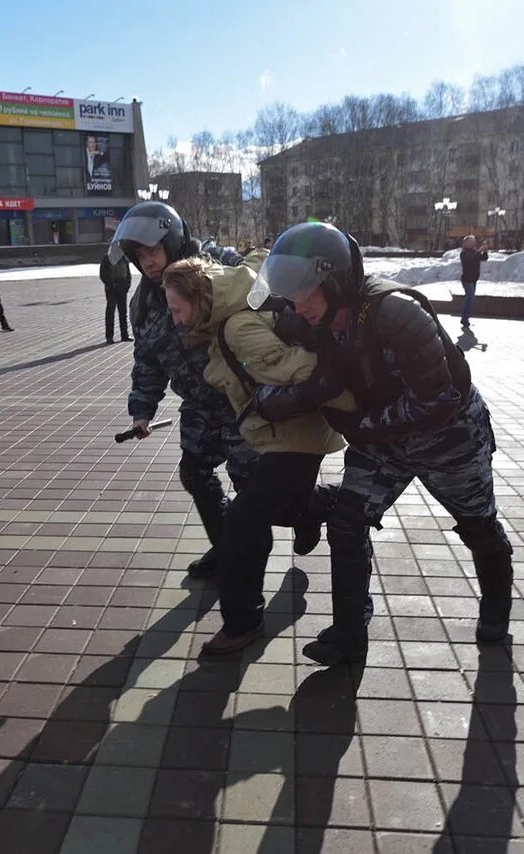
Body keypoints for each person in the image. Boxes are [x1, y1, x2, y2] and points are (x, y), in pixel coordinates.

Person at [246, 222, 515, 665]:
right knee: (348, 522)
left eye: (303, 292)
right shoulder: (314, 317)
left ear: (334, 283)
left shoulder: (396, 313)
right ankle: (349, 636)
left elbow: (437, 400)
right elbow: (267, 340)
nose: (296, 305)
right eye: (289, 293)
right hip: (381, 438)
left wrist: (362, 426)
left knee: (478, 525)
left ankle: (496, 607)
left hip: (448, 438)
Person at [160, 254, 349, 655]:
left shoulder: (237, 325)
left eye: (178, 310)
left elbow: (300, 369)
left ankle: (241, 623)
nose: (176, 319)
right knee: (275, 511)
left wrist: (328, 383)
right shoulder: (228, 314)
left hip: (296, 435)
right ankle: (321, 504)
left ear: (199, 298)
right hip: (284, 433)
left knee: (242, 524)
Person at [111, 201, 259, 579]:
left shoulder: (214, 267)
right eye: (140, 255)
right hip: (199, 405)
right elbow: (147, 360)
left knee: (255, 488)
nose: (148, 262)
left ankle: (312, 511)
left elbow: (262, 281)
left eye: (154, 250)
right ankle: (227, 549)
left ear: (173, 241)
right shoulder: (143, 303)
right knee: (194, 473)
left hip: (242, 401)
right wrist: (141, 409)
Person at [99, 251, 132, 344]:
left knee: (123, 312)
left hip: (122, 289)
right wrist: (110, 284)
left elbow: (128, 273)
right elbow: (103, 274)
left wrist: (127, 285)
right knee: (110, 313)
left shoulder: (123, 258)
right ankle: (109, 337)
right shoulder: (107, 258)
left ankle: (124, 335)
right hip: (111, 290)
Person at [458, 235, 488, 328]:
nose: (473, 243)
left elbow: (483, 258)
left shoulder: (474, 251)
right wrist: (479, 251)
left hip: (474, 278)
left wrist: (485, 251)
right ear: (466, 243)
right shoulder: (464, 253)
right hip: (467, 279)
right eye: (471, 242)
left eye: (473, 241)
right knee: (469, 298)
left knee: (470, 299)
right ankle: (464, 319)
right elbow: (469, 259)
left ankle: (465, 318)